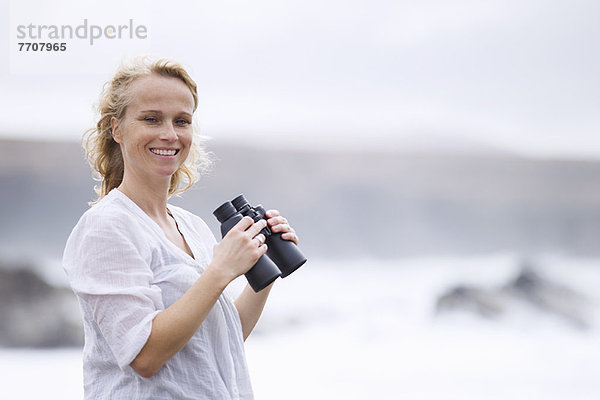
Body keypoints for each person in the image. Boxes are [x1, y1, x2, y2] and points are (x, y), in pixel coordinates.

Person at [62, 58, 299, 399]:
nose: (170, 134)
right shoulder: (106, 228)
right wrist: (220, 270)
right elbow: (144, 355)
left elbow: (218, 340)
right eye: (151, 119)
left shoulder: (192, 227)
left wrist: (263, 268)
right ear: (117, 129)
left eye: (182, 121)